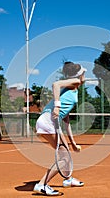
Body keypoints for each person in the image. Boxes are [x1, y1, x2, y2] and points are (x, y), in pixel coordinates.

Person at [33, 61, 86, 196]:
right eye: (84, 73)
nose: (85, 76)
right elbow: (55, 84)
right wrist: (57, 106)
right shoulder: (75, 82)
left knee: (66, 152)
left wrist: (73, 143)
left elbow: (66, 121)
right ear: (79, 75)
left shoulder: (72, 90)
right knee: (64, 159)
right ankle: (41, 185)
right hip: (47, 122)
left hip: (52, 123)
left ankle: (68, 179)